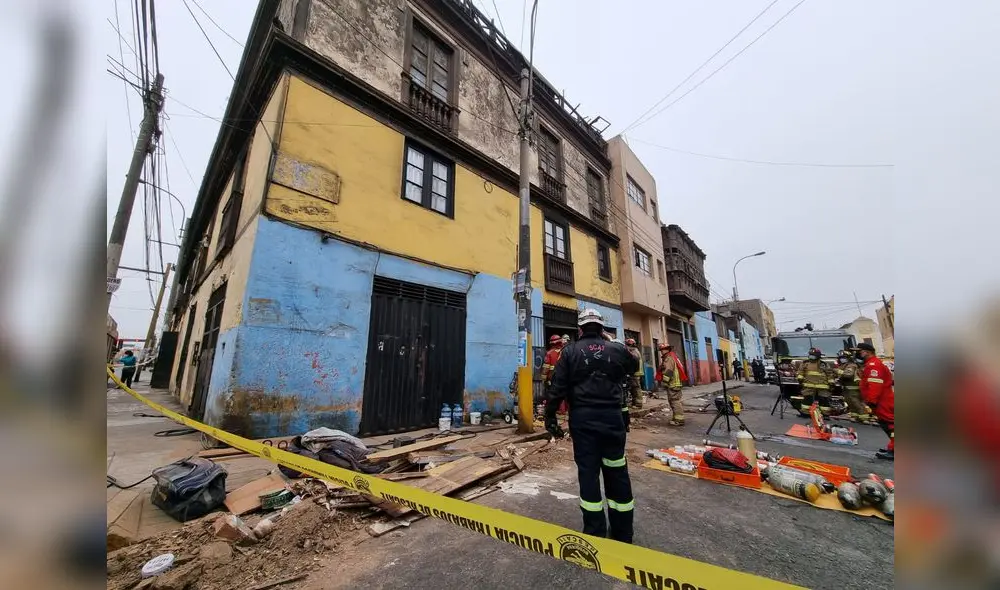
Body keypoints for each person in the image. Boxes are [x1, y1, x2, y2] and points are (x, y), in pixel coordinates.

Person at [546, 308, 638, 543]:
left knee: (588, 474)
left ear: (580, 328)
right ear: (601, 327)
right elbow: (633, 366)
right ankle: (623, 533)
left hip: (583, 423)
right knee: (617, 472)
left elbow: (557, 388)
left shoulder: (570, 352)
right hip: (613, 421)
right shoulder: (616, 349)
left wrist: (550, 418)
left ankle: (595, 532)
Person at [857, 342, 894, 460]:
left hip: (882, 401)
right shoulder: (871, 364)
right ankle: (893, 446)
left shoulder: (874, 365)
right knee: (887, 424)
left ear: (866, 352)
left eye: (859, 351)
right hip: (881, 400)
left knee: (890, 425)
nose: (857, 354)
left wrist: (871, 401)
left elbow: (875, 385)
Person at [795, 347, 834, 416]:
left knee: (824, 400)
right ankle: (805, 413)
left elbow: (829, 374)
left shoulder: (823, 364)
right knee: (807, 400)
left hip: (822, 386)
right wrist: (800, 380)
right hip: (808, 385)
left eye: (813, 355)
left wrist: (831, 383)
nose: (811, 357)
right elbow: (800, 372)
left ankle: (825, 414)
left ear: (818, 356)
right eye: (810, 355)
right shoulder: (805, 363)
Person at [835, 349, 871, 423]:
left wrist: (837, 371)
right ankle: (855, 416)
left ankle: (864, 418)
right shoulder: (844, 365)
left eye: (844, 357)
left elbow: (848, 375)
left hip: (853, 388)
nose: (842, 359)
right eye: (841, 358)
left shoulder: (851, 365)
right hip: (847, 388)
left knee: (856, 403)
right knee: (850, 403)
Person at [659, 344, 686, 427]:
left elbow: (668, 371)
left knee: (674, 401)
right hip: (676, 383)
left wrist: (664, 382)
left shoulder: (669, 358)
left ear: (667, 350)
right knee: (674, 401)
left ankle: (679, 420)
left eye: (662, 350)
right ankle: (676, 418)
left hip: (673, 383)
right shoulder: (672, 356)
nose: (661, 352)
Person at [624, 339, 644, 409]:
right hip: (635, 373)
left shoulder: (634, 352)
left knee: (636, 389)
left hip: (635, 373)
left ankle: (638, 404)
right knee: (633, 389)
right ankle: (634, 402)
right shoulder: (635, 351)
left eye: (626, 345)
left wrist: (630, 372)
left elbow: (633, 363)